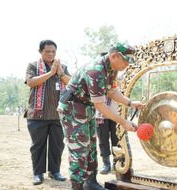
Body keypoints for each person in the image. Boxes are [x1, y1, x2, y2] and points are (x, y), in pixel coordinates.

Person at [57, 42, 144, 190]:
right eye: (125, 61)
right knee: (79, 150)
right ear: (114, 56)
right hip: (72, 109)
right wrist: (123, 122)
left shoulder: (112, 68)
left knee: (91, 146)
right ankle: (77, 187)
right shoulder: (96, 71)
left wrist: (130, 103)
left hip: (86, 108)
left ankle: (90, 183)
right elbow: (101, 106)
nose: (127, 65)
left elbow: (111, 91)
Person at [25, 40, 71, 185]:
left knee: (57, 145)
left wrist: (60, 73)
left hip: (58, 115)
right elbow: (31, 82)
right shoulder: (33, 66)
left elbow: (71, 83)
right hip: (38, 114)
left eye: (53, 52)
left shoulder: (62, 67)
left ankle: (55, 171)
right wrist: (51, 73)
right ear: (40, 52)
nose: (51, 54)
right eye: (47, 51)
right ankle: (38, 173)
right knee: (38, 145)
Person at [96, 96, 119, 175]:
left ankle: (117, 163)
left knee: (117, 140)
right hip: (100, 114)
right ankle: (106, 164)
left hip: (115, 113)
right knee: (103, 140)